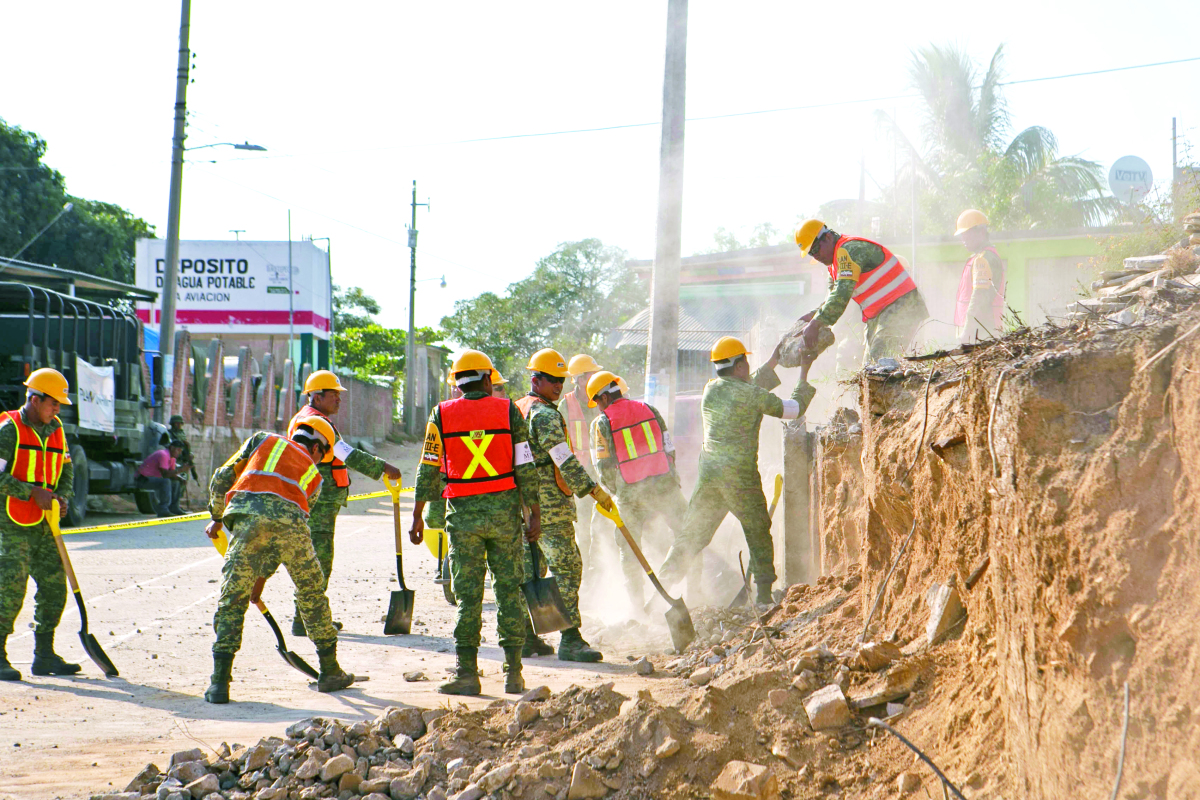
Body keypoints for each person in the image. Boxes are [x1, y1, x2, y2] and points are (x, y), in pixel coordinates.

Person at [410, 350, 540, 696]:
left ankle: (466, 673)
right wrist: (535, 512)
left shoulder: (440, 414)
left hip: (463, 519)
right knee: (508, 591)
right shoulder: (509, 410)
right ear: (486, 379)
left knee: (469, 598)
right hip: (504, 516)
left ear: (456, 383)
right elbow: (525, 463)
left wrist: (417, 515)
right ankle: (514, 674)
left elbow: (428, 466)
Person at [203, 416, 355, 703]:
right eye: (322, 455)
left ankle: (219, 683)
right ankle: (330, 670)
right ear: (317, 447)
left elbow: (222, 477)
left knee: (232, 598)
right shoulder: (315, 478)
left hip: (247, 521)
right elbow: (280, 536)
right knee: (311, 593)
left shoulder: (262, 440)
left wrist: (217, 517)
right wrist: (262, 576)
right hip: (293, 527)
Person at [656, 337, 815, 605]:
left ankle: (661, 589)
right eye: (746, 362)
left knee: (693, 534)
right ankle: (763, 594)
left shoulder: (711, 390)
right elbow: (793, 409)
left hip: (710, 475)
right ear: (740, 365)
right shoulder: (750, 394)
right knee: (758, 529)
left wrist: (774, 360)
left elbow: (746, 388)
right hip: (739, 475)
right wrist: (804, 370)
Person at [515, 349, 613, 662]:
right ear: (536, 379)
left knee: (533, 569)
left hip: (524, 504)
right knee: (568, 568)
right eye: (551, 380)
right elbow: (562, 456)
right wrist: (591, 489)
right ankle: (570, 638)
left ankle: (528, 638)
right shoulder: (543, 414)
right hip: (549, 506)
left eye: (561, 380)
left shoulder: (520, 408)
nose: (558, 385)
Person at [287, 370, 401, 636]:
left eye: (339, 394)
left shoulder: (312, 419)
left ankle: (305, 618)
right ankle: (307, 620)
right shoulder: (315, 423)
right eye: (334, 394)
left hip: (319, 501)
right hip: (319, 503)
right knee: (319, 561)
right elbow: (346, 454)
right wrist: (383, 467)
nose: (339, 399)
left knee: (315, 559)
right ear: (317, 396)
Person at [586, 370, 691, 609]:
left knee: (630, 552)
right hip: (665, 486)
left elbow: (603, 465)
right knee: (687, 534)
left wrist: (618, 491)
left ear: (602, 398)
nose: (598, 408)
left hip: (630, 496)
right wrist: (668, 477)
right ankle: (693, 590)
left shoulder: (602, 422)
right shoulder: (649, 409)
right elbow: (669, 448)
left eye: (597, 403)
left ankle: (638, 607)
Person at [0, 369, 78, 681]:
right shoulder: (9, 430)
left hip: (46, 526)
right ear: (35, 399)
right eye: (53, 403)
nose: (58, 408)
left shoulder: (57, 429)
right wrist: (31, 491)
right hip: (12, 525)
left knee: (55, 588)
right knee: (10, 590)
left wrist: (64, 496)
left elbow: (67, 468)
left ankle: (44, 654)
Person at [793, 219, 929, 362]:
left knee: (880, 363)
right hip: (880, 315)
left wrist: (816, 323)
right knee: (869, 367)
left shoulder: (850, 250)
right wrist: (813, 316)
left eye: (815, 249)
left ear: (827, 237)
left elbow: (841, 294)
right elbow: (831, 298)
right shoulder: (834, 265)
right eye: (810, 253)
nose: (816, 256)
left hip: (902, 307)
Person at [562, 354, 605, 583]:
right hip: (578, 476)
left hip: (601, 472)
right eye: (589, 374)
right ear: (578, 379)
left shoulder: (600, 396)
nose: (593, 377)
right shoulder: (566, 404)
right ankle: (584, 572)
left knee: (603, 525)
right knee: (583, 529)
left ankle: (599, 570)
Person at [954, 209, 1006, 344]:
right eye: (962, 235)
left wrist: (966, 333)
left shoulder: (983, 259)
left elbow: (979, 298)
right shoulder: (981, 257)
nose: (963, 239)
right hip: (980, 334)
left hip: (980, 336)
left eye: (966, 234)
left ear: (981, 231)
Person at [137, 439, 186, 517]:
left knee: (176, 482)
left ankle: (174, 507)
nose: (179, 453)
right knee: (166, 481)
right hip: (143, 479)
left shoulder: (172, 458)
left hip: (153, 479)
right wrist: (181, 470)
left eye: (181, 451)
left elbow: (172, 474)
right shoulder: (163, 454)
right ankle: (163, 509)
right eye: (178, 450)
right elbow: (165, 474)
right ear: (172, 448)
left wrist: (180, 479)